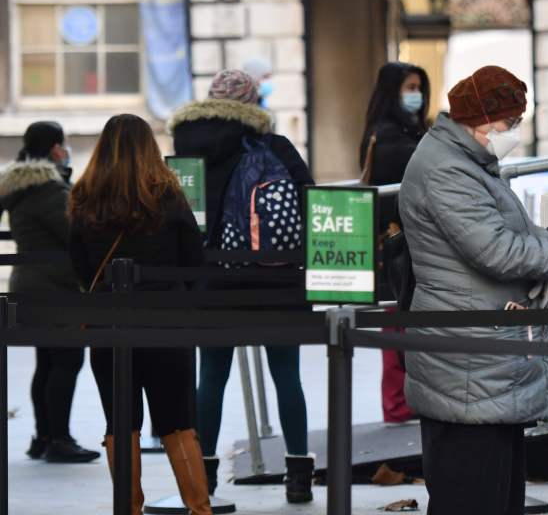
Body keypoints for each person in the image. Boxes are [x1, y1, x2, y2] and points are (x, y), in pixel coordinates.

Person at [400, 65, 548, 515]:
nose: (513, 132)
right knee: (472, 495)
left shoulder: (468, 161)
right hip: (468, 361)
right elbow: (497, 250)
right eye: (509, 124)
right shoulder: (447, 171)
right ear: (480, 120)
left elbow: (517, 235)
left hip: (482, 359)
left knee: (497, 492)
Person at [169, 69, 316, 503]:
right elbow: (308, 199)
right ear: (255, 103)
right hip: (277, 279)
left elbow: (179, 218)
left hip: (214, 281)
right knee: (287, 376)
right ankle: (298, 475)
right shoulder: (275, 146)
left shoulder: (186, 150)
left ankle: (205, 476)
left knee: (210, 377)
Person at [67, 114, 211, 515]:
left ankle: (128, 509)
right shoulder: (168, 194)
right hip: (166, 324)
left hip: (109, 325)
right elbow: (192, 261)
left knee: (120, 424)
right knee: (178, 423)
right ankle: (200, 509)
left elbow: (79, 267)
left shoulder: (84, 197)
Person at [0, 122, 99, 464]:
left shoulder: (23, 188)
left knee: (47, 361)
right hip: (56, 288)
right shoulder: (50, 191)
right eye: (65, 144)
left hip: (30, 283)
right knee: (68, 360)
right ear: (56, 148)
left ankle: (43, 437)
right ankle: (60, 439)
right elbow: (75, 234)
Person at [359, 62, 430, 425]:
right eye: (409, 87)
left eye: (419, 86)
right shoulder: (390, 137)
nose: (416, 93)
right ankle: (398, 405)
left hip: (407, 241)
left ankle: (406, 402)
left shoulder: (409, 131)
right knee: (397, 325)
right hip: (398, 243)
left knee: (404, 324)